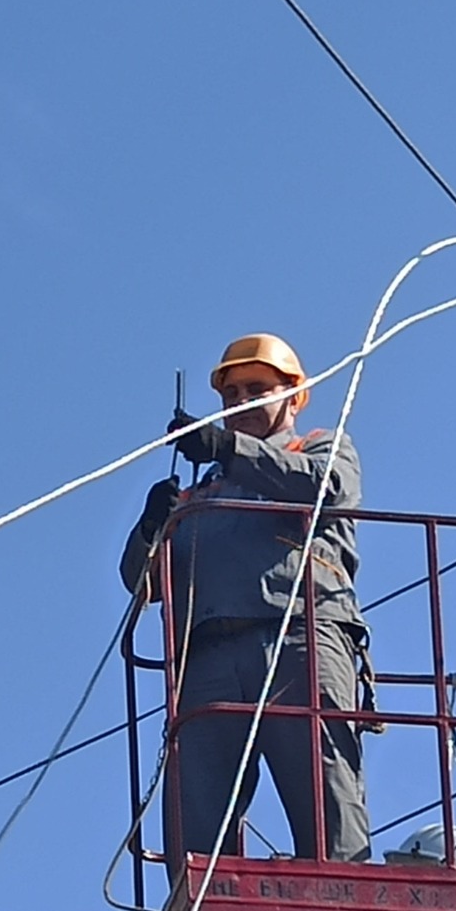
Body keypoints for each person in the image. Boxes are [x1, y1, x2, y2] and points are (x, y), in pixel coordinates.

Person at [119, 333, 371, 864]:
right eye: (230, 395)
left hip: (299, 639)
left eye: (255, 389)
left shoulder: (321, 448)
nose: (240, 404)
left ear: (292, 396)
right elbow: (142, 582)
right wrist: (151, 526)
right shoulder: (198, 494)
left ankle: (346, 897)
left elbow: (326, 489)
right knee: (196, 819)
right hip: (208, 658)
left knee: (325, 795)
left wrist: (227, 449)